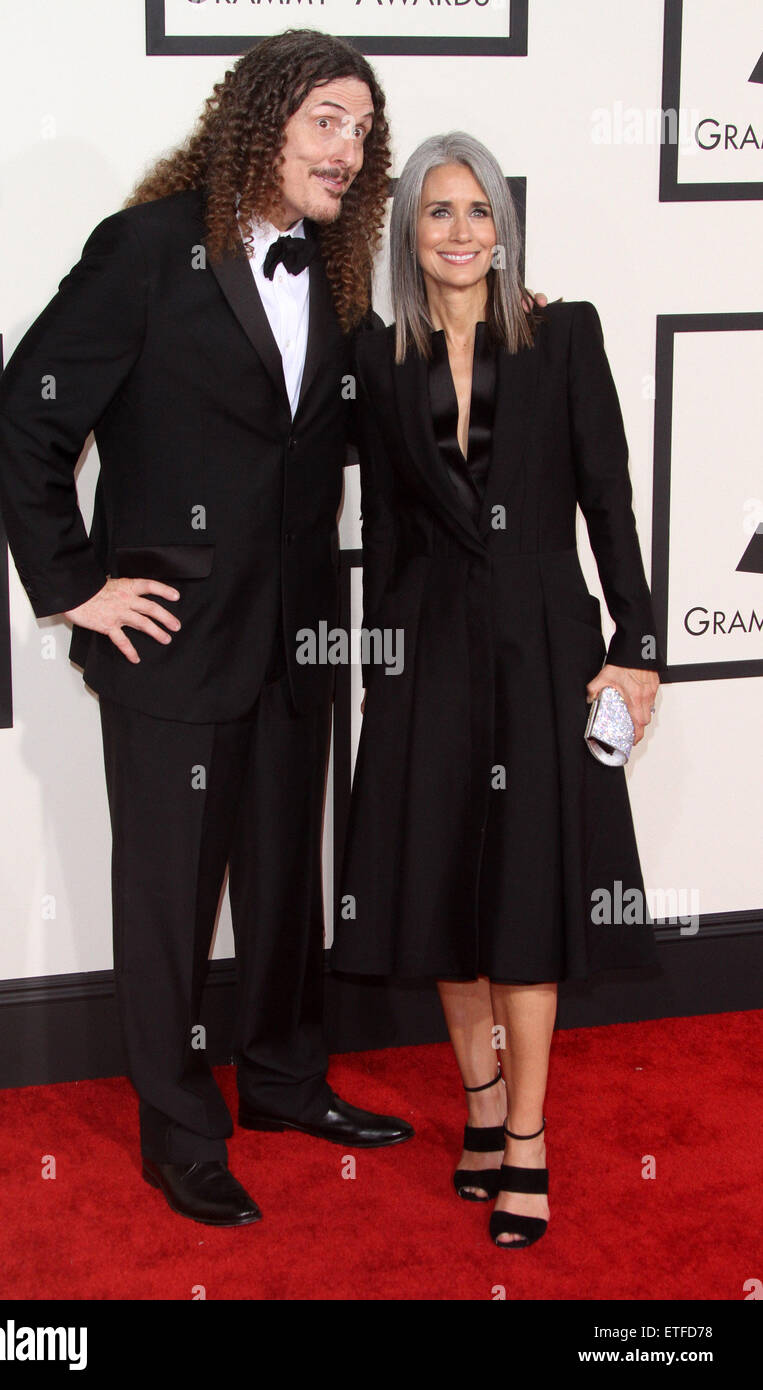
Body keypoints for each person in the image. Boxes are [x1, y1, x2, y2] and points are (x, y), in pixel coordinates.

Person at [0, 29, 417, 1230]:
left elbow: (350, 428)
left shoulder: (333, 267)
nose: (350, 147)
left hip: (296, 642)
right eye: (329, 119)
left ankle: (281, 1081)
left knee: (283, 880)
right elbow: (26, 419)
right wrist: (75, 584)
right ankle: (178, 1130)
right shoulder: (146, 248)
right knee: (171, 902)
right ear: (263, 120)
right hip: (168, 643)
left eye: (363, 130)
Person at [332, 131, 662, 1248]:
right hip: (427, 646)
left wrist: (638, 642)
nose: (461, 231)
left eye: (479, 211)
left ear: (504, 229)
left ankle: (524, 1139)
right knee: (446, 893)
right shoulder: (378, 357)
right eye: (438, 212)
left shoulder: (563, 333)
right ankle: (475, 1106)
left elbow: (606, 497)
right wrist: (381, 660)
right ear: (406, 235)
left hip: (540, 643)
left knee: (524, 894)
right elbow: (380, 523)